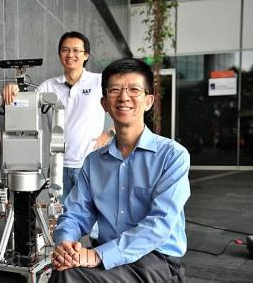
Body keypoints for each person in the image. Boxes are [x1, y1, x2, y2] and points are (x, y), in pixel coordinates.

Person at [50, 57, 190, 282]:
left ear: (148, 101)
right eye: (115, 90)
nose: (124, 97)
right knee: (65, 269)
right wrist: (66, 246)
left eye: (134, 89)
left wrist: (97, 255)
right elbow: (76, 214)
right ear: (104, 103)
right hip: (106, 254)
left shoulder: (172, 156)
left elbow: (159, 224)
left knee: (71, 276)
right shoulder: (94, 162)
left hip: (155, 259)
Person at [3, 31, 115, 203]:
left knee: (91, 222)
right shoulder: (49, 86)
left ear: (86, 55)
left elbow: (126, 106)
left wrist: (109, 133)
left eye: (76, 51)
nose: (71, 55)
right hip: (57, 167)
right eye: (65, 50)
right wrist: (14, 90)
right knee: (60, 218)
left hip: (90, 165)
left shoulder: (99, 82)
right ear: (59, 54)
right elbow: (26, 106)